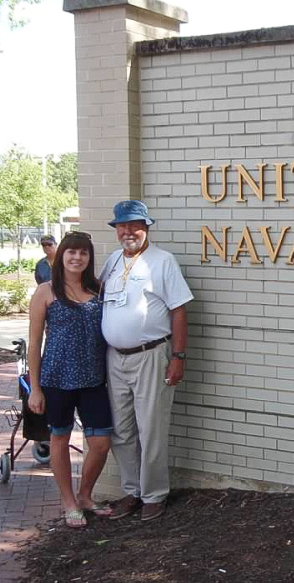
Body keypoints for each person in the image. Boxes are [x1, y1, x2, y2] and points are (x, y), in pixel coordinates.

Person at [100, 200, 193, 522]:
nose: (128, 231)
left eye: (135, 225)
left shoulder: (162, 261)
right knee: (121, 430)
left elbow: (179, 310)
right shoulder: (112, 261)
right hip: (115, 359)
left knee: (150, 428)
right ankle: (132, 492)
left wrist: (178, 357)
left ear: (147, 227)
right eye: (122, 226)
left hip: (152, 356)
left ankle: (154, 495)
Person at [27, 231, 113, 529]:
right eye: (71, 252)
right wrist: (34, 388)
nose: (77, 258)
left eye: (84, 253)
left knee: (100, 443)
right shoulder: (46, 292)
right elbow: (35, 343)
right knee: (59, 440)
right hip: (56, 380)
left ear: (89, 258)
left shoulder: (99, 290)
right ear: (61, 255)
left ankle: (85, 495)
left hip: (93, 381)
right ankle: (69, 503)